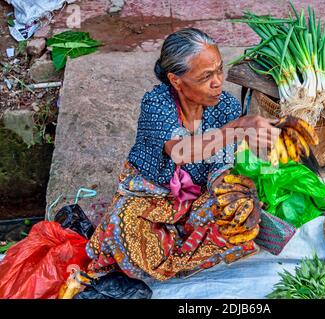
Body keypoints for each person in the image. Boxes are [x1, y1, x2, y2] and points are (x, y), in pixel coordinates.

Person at [86, 28, 281, 281]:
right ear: (176, 80)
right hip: (153, 193)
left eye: (220, 70)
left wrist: (230, 193)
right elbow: (180, 151)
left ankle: (185, 248)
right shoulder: (157, 103)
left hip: (198, 195)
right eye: (206, 76)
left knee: (240, 217)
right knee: (125, 225)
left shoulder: (226, 107)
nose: (218, 82)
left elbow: (219, 166)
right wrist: (235, 129)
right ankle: (177, 253)